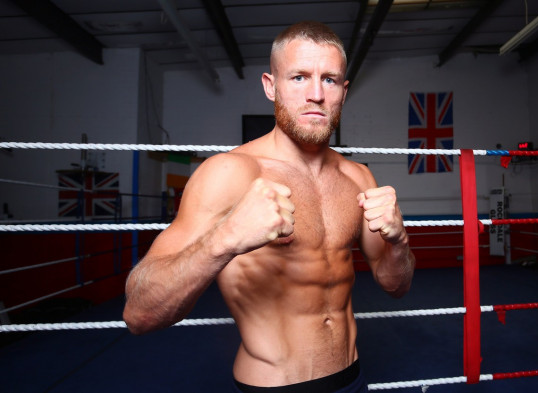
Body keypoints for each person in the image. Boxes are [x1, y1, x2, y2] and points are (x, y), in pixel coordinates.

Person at [123, 21, 415, 393]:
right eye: (298, 77)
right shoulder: (229, 172)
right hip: (273, 386)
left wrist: (399, 241)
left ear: (343, 91)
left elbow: (395, 286)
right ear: (270, 86)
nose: (315, 94)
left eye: (328, 80)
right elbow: (140, 314)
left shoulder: (358, 178)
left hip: (352, 378)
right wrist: (225, 238)